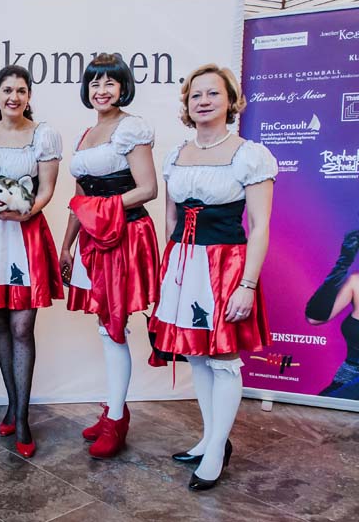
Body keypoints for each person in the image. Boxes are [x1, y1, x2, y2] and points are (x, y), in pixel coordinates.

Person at [149, 63, 276, 491]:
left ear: (231, 101)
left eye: (213, 93)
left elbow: (259, 226)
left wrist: (247, 285)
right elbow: (171, 219)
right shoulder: (175, 154)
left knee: (222, 360)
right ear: (186, 104)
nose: (203, 101)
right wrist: (171, 271)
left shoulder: (249, 154)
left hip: (226, 266)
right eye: (195, 95)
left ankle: (218, 449)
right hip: (184, 264)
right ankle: (209, 438)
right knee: (198, 356)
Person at [60, 53, 159, 459]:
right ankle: (113, 410)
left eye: (110, 82)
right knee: (105, 325)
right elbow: (80, 197)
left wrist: (103, 208)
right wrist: (66, 245)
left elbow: (148, 188)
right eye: (95, 83)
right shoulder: (87, 133)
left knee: (114, 326)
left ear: (123, 88)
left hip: (124, 235)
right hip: (93, 238)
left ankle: (116, 419)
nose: (101, 90)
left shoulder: (131, 128)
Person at [0, 65, 63, 458]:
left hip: (26, 234)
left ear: (29, 96)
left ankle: (24, 416)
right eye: (7, 90)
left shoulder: (42, 135)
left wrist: (25, 211)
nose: (13, 97)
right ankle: (12, 405)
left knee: (22, 326)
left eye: (21, 90)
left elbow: (47, 188)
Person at [305, 229, 359, 398]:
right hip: (346, 376)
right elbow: (315, 318)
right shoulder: (355, 282)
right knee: (318, 406)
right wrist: (343, 263)